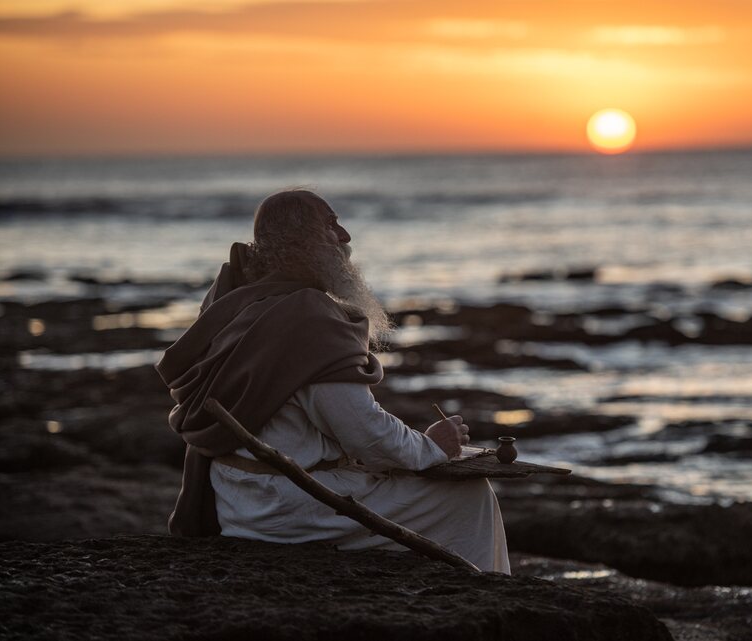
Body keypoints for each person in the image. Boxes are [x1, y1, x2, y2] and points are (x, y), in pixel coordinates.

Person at [155, 189, 510, 573]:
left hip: (238, 498)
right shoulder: (307, 318)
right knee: (470, 496)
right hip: (289, 508)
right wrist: (433, 447)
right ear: (301, 240)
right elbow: (366, 435)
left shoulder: (238, 302)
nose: (345, 237)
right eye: (331, 224)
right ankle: (481, 602)